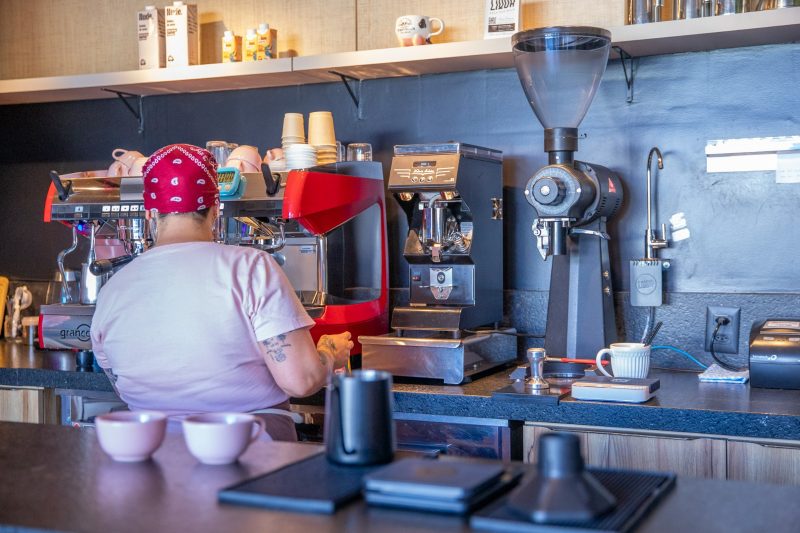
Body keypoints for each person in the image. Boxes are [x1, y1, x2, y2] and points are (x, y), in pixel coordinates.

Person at [91, 143, 352, 441]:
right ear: (215, 210)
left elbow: (117, 380)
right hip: (246, 450)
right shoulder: (251, 267)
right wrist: (330, 353)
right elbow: (301, 381)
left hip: (152, 454)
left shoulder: (113, 288)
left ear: (150, 214)